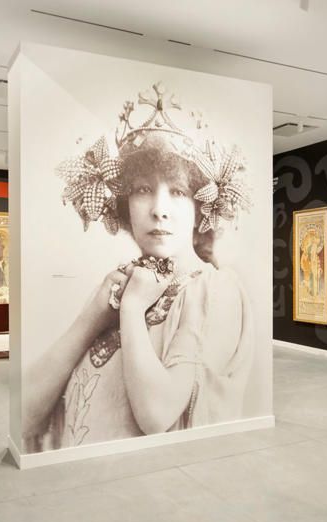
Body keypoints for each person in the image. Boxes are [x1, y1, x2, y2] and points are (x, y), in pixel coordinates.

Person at [22, 83, 254, 452]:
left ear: (201, 208)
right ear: (125, 205)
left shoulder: (214, 289)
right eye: (143, 189)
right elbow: (24, 414)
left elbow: (157, 416)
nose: (159, 209)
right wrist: (91, 318)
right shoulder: (121, 286)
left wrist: (131, 309)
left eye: (177, 191)